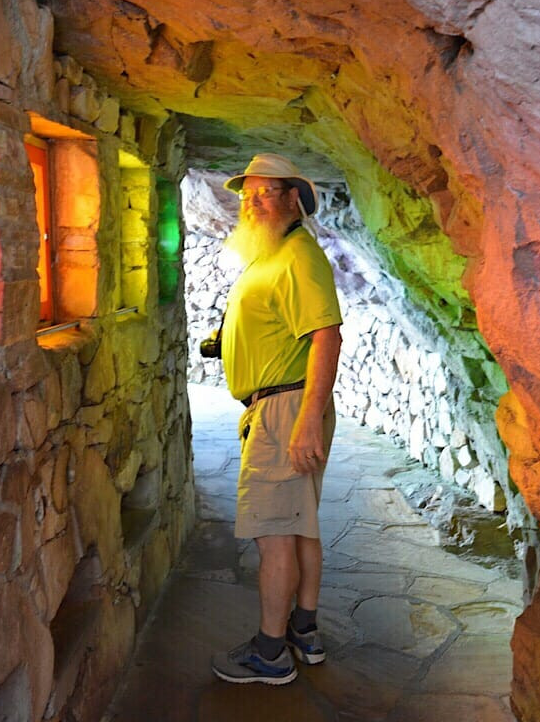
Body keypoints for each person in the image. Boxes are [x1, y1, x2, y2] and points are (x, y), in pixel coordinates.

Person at [210, 153, 343, 685]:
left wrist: (307, 419)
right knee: (297, 525)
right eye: (247, 194)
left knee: (274, 534)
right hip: (280, 405)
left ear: (294, 198)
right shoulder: (272, 254)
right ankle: (303, 632)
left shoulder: (298, 256)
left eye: (265, 192)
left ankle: (269, 653)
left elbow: (326, 336)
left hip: (285, 410)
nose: (252, 201)